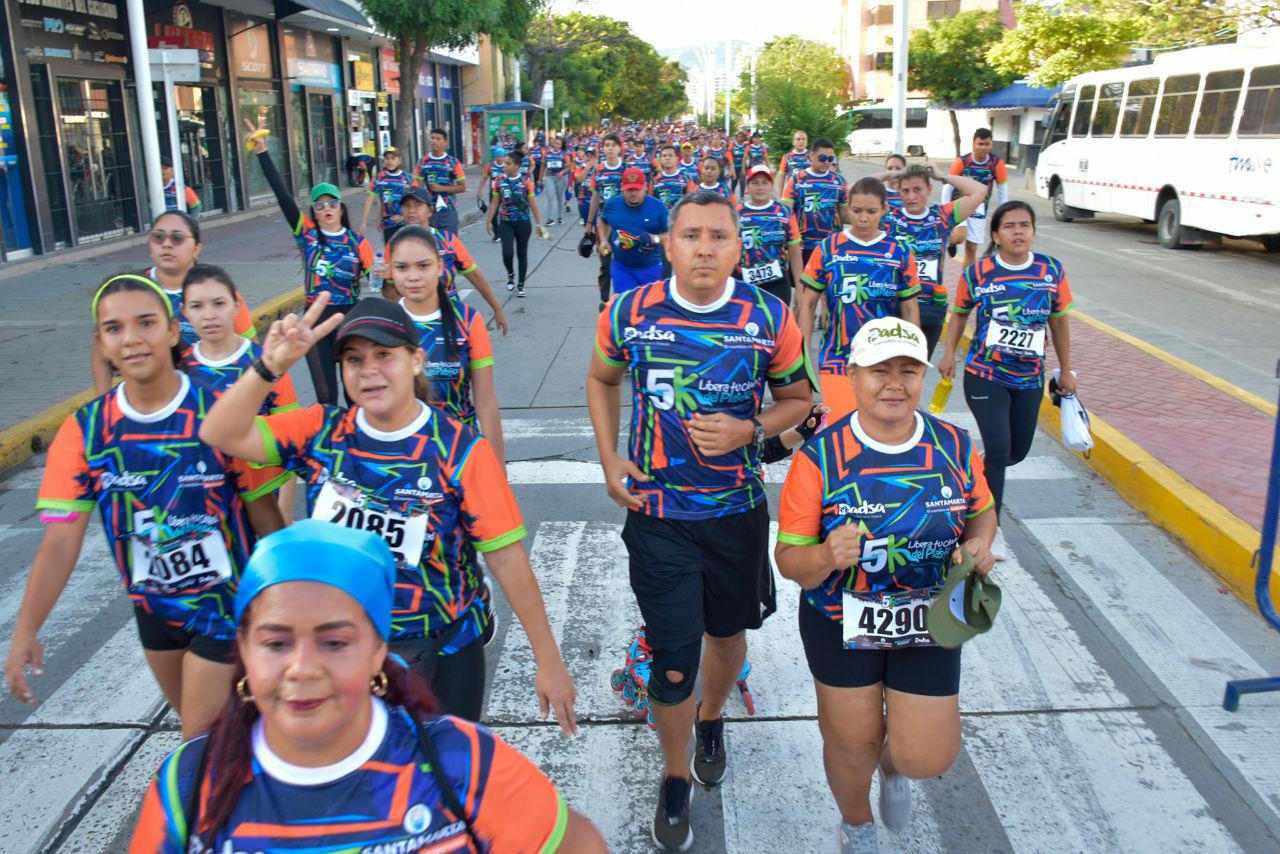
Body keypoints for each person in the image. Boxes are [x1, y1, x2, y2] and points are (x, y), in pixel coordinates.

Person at [199, 296, 577, 727]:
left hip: (441, 648)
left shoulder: (459, 449)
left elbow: (507, 556)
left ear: (416, 360)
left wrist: (548, 660)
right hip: (342, 651)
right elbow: (219, 432)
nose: (369, 370)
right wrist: (270, 368)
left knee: (442, 783)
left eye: (384, 355)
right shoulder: (320, 432)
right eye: (354, 359)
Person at [128, 521, 607, 853]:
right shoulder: (187, 787)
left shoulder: (465, 764)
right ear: (244, 652)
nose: (302, 668)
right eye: (275, 643)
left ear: (379, 651)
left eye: (334, 642)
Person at [586, 190, 813, 850]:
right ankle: (674, 776)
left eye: (719, 235)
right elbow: (601, 380)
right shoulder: (628, 313)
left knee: (726, 636)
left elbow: (801, 400)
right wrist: (609, 458)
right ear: (669, 244)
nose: (705, 247)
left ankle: (712, 718)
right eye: (691, 235)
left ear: (740, 247)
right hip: (658, 515)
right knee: (674, 655)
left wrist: (751, 427)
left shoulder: (768, 316)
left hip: (737, 515)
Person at [5, 274, 285, 740]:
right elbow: (59, 542)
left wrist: (288, 599)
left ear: (173, 332)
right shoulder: (86, 431)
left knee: (197, 742)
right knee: (215, 737)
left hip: (225, 608)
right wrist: (25, 631)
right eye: (114, 329)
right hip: (153, 612)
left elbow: (266, 515)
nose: (131, 339)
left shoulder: (221, 413)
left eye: (146, 323)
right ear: (101, 343)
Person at [775, 316, 997, 854]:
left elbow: (984, 513)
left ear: (922, 376)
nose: (894, 383)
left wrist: (980, 545)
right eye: (879, 371)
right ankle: (856, 826)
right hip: (839, 619)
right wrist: (826, 555)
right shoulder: (819, 457)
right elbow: (788, 560)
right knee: (853, 742)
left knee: (927, 755)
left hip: (929, 616)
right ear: (852, 375)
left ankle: (893, 768)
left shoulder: (954, 444)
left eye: (907, 370)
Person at [939, 200, 1075, 519]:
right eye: (1009, 226)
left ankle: (980, 467)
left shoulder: (1051, 270)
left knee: (1017, 450)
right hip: (985, 374)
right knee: (1000, 447)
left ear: (1033, 232)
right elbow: (959, 315)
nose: (1018, 231)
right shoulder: (978, 273)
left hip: (1029, 378)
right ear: (996, 236)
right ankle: (991, 526)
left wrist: (1066, 370)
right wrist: (948, 354)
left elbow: (1059, 322)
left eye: (1024, 225)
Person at [245, 119, 374, 407]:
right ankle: (327, 445)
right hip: (314, 320)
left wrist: (383, 274)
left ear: (341, 207)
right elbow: (282, 196)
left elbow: (378, 280)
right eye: (319, 205)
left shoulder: (357, 242)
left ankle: (354, 444)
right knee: (326, 395)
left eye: (331, 204)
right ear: (313, 213)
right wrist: (263, 152)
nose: (326, 209)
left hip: (349, 318)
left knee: (354, 395)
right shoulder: (307, 235)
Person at [177, 264, 301, 520]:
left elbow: (291, 440)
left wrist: (284, 511)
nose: (209, 315)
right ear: (184, 312)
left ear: (236, 306)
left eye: (219, 303)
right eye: (197, 306)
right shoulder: (180, 368)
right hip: (205, 506)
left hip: (264, 499)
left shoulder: (266, 361)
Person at [797, 177, 922, 421]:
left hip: (883, 360)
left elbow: (909, 309)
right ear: (847, 209)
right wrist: (801, 355)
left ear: (884, 210)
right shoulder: (828, 248)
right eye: (857, 211)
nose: (863, 218)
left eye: (871, 211)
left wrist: (914, 355)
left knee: (879, 429)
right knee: (841, 428)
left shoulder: (900, 252)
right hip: (836, 357)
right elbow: (808, 303)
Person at [92, 211, 257, 394]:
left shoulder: (219, 293)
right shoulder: (131, 289)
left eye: (177, 238)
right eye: (158, 237)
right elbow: (101, 356)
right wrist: (103, 406)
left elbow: (252, 352)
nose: (167, 244)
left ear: (196, 249)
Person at [385, 226, 505, 461]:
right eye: (401, 267)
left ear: (440, 267)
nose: (413, 276)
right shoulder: (384, 322)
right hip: (402, 459)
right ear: (390, 271)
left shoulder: (469, 321)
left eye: (423, 265)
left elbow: (486, 401)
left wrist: (496, 472)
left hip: (459, 453)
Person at [879, 165, 988, 359]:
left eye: (918, 190)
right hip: (894, 306)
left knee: (916, 371)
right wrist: (888, 175)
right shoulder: (889, 217)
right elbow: (853, 192)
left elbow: (980, 191)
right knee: (890, 369)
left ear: (929, 190)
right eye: (905, 191)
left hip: (930, 308)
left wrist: (942, 175)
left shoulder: (942, 217)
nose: (912, 196)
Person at [393, 186, 508, 334]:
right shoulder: (395, 245)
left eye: (417, 205)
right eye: (407, 206)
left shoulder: (447, 241)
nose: (411, 210)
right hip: (412, 322)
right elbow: (390, 294)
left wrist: (497, 308)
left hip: (450, 317)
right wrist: (385, 279)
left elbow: (474, 275)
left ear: (430, 211)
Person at [737, 163, 803, 307]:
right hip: (745, 283)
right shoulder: (736, 214)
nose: (760, 187)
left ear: (771, 185)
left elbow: (795, 252)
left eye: (765, 182)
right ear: (747, 187)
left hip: (777, 282)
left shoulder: (784, 212)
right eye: (754, 183)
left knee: (776, 326)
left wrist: (799, 288)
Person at [598, 167, 669, 299]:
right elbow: (602, 222)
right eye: (630, 189)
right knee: (625, 307)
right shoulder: (612, 205)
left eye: (637, 189)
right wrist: (603, 241)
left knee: (648, 309)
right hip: (622, 267)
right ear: (622, 188)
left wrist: (655, 238)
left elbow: (671, 235)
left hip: (650, 268)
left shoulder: (659, 208)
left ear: (645, 187)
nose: (634, 193)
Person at [942, 128, 1008, 268]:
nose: (983, 148)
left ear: (991, 144)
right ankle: (952, 241)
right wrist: (944, 210)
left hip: (979, 209)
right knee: (960, 237)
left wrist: (1005, 213)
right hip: (960, 204)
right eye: (980, 144)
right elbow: (947, 186)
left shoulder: (996, 164)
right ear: (973, 144)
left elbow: (1002, 189)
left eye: (986, 144)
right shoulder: (962, 162)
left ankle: (966, 282)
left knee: (971, 249)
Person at [486, 151, 545, 298]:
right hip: (505, 222)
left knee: (521, 254)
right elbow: (494, 201)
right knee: (507, 253)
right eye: (505, 163)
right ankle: (511, 274)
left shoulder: (526, 182)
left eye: (508, 164)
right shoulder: (499, 180)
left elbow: (532, 203)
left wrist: (539, 224)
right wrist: (489, 221)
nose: (505, 166)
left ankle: (521, 285)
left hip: (523, 222)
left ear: (516, 166)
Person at [781, 137, 847, 263]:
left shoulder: (839, 181)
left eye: (830, 158)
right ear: (811, 156)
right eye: (822, 158)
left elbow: (846, 214)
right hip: (803, 245)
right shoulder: (796, 180)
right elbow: (786, 214)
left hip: (831, 245)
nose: (827, 162)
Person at [586, 134, 628, 304]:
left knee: (624, 259)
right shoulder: (598, 170)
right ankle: (605, 300)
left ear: (619, 148)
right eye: (607, 145)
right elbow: (595, 197)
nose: (610, 148)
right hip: (603, 223)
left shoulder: (626, 169)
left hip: (624, 223)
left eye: (613, 145)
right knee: (605, 261)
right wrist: (589, 223)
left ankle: (623, 297)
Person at [359, 146, 414, 243]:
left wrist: (403, 218)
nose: (390, 161)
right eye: (387, 158)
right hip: (388, 224)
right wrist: (365, 222)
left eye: (393, 158)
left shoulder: (408, 178)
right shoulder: (379, 178)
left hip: (406, 224)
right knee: (390, 253)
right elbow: (371, 200)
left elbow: (416, 201)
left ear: (399, 160)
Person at [417, 127, 467, 234]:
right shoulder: (423, 162)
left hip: (448, 210)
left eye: (438, 139)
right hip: (429, 211)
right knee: (430, 245)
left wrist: (440, 188)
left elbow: (462, 187)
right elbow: (417, 187)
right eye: (432, 138)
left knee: (449, 244)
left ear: (445, 142)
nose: (434, 141)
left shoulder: (453, 162)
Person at [543, 136, 572, 225]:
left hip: (561, 178)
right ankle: (550, 219)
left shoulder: (564, 154)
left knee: (560, 197)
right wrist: (540, 178)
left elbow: (568, 167)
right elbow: (542, 166)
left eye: (559, 144)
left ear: (561, 146)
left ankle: (560, 217)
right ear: (553, 143)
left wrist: (562, 172)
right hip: (550, 177)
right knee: (550, 197)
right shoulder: (547, 154)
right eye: (556, 143)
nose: (557, 145)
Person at [652, 145, 688, 212]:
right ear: (661, 160)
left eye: (670, 155)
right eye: (664, 156)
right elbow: (652, 203)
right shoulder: (655, 180)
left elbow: (692, 201)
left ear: (677, 158)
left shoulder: (686, 178)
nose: (667, 158)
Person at [573, 147, 598, 227]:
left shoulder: (600, 167)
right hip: (584, 199)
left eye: (592, 156)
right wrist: (587, 168)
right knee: (587, 225)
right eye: (587, 155)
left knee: (597, 225)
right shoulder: (580, 167)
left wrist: (595, 167)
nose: (589, 158)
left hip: (597, 200)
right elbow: (578, 180)